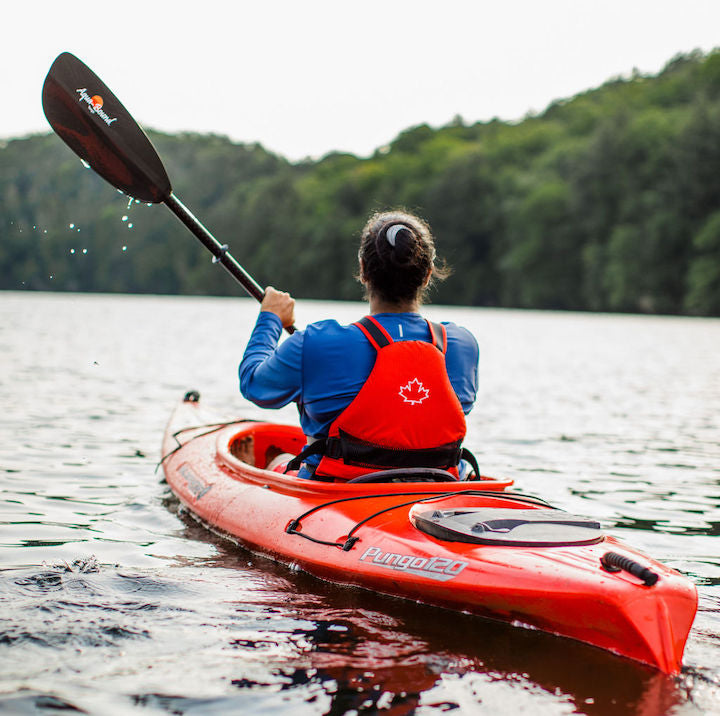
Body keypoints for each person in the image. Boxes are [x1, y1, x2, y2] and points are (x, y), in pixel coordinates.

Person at [238, 210, 479, 480]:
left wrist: (270, 318)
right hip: (435, 490)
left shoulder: (315, 343)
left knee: (281, 459)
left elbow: (254, 385)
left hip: (339, 493)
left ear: (363, 270)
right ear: (427, 275)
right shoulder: (461, 345)